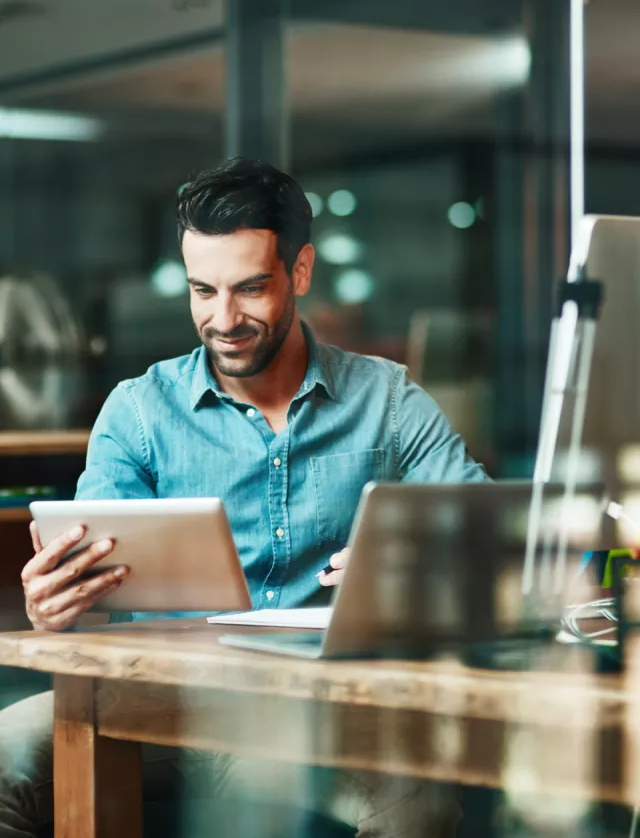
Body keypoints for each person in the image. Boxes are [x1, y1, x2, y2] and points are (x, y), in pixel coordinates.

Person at [0, 158, 488, 838]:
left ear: (302, 270)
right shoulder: (138, 412)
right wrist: (54, 603)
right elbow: (87, 594)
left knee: (417, 800)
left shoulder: (388, 400)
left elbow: (495, 537)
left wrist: (422, 566)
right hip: (163, 709)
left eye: (250, 288)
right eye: (202, 290)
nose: (222, 318)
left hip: (330, 717)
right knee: (5, 749)